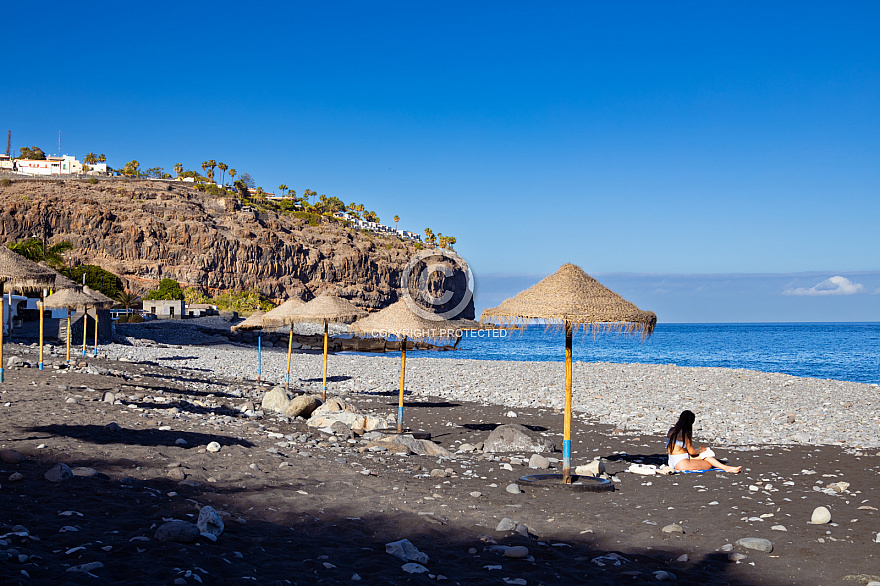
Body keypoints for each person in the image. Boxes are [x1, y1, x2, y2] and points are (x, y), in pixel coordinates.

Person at [667, 410, 742, 473]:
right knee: (708, 464)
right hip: (682, 463)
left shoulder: (671, 430)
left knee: (705, 456)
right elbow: (692, 451)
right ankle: (726, 468)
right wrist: (700, 450)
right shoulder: (685, 433)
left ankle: (727, 468)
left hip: (672, 461)